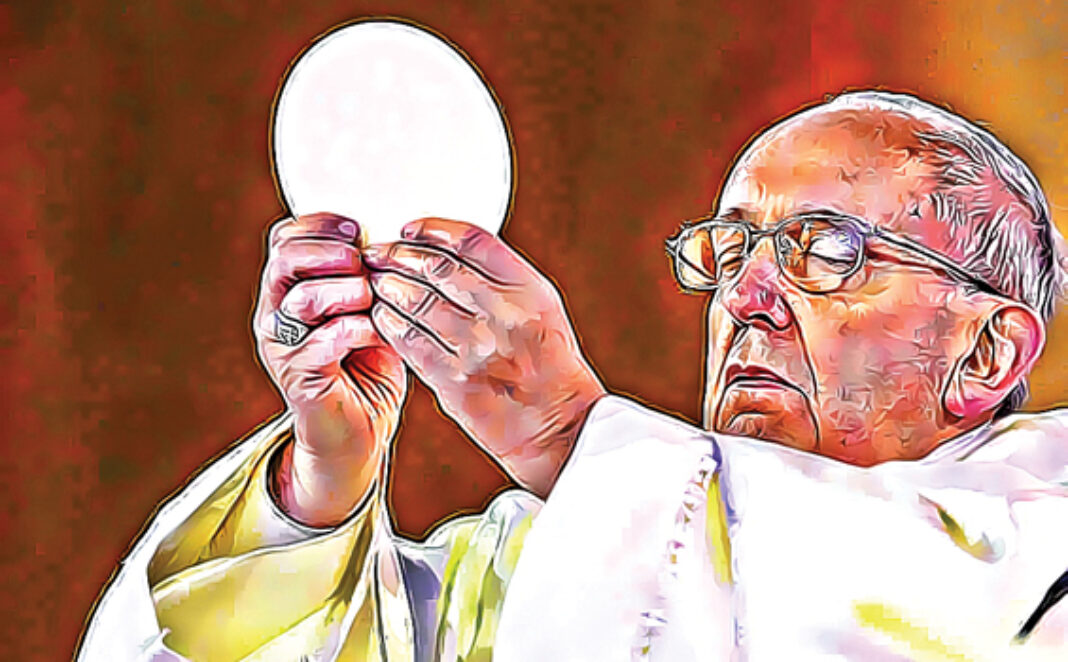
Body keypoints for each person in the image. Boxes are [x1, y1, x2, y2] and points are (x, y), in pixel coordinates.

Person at [77, 90, 1068, 661]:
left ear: (986, 351)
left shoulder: (1042, 534)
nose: (747, 295)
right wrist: (321, 483)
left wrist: (562, 430)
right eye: (730, 251)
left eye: (825, 250)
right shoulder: (544, 557)